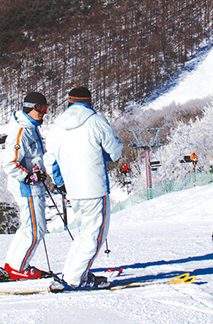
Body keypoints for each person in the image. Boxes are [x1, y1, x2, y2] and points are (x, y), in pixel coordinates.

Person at [44, 86, 124, 291]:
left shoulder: (57, 126)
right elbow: (114, 152)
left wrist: (61, 183)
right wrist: (101, 154)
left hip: (73, 188)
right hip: (95, 186)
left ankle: (72, 274)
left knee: (84, 234)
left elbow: (51, 160)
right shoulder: (96, 121)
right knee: (95, 235)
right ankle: (74, 279)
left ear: (69, 103)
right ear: (89, 102)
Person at [0, 92, 53, 282]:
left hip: (32, 186)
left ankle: (13, 264)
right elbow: (10, 163)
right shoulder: (21, 131)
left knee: (29, 227)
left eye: (46, 109)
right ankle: (19, 268)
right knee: (37, 229)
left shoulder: (31, 127)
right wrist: (29, 177)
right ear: (29, 108)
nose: (43, 113)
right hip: (27, 188)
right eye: (40, 109)